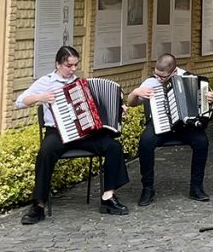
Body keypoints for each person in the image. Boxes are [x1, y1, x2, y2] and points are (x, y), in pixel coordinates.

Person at [15, 46, 130, 224]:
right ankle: (38, 205)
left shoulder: (81, 84)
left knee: (113, 147)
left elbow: (99, 107)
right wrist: (40, 97)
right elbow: (19, 102)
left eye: (76, 65)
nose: (73, 69)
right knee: (45, 152)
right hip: (58, 132)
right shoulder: (46, 81)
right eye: (69, 65)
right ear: (58, 64)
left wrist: (118, 107)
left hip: (83, 133)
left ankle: (108, 198)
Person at [127, 53, 213, 206]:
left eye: (162, 77)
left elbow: (206, 99)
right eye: (156, 74)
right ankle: (147, 188)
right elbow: (131, 103)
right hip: (160, 124)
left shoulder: (189, 78)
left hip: (184, 127)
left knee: (202, 141)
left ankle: (196, 187)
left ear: (174, 72)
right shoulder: (151, 82)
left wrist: (210, 98)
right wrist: (135, 93)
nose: (158, 79)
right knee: (145, 142)